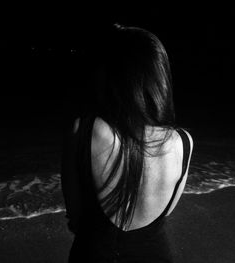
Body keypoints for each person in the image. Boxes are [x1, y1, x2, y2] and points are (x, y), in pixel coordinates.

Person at [61, 23, 193, 263]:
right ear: (159, 76)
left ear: (110, 74)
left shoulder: (85, 130)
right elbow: (166, 212)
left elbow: (76, 217)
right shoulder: (183, 141)